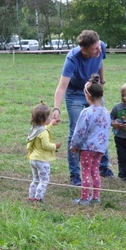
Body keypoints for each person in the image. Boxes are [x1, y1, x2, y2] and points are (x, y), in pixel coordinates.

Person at [52, 30, 113, 186]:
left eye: (99, 46)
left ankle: (103, 167)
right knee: (76, 130)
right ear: (84, 50)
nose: (99, 50)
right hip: (75, 94)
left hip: (93, 90)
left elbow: (100, 62)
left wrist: (102, 81)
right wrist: (56, 109)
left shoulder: (101, 47)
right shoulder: (72, 59)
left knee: (102, 126)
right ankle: (75, 174)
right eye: (94, 49)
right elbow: (62, 87)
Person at [70, 74, 110, 206]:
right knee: (95, 171)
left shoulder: (86, 112)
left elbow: (79, 131)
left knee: (86, 171)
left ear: (87, 96)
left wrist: (74, 145)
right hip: (100, 148)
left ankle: (84, 198)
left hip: (87, 148)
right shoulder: (106, 112)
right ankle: (95, 197)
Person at [26, 103, 62, 203]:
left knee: (35, 180)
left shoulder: (35, 129)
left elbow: (44, 129)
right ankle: (38, 199)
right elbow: (46, 145)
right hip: (42, 160)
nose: (51, 118)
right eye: (49, 116)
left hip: (33, 159)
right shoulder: (44, 133)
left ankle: (31, 197)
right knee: (44, 181)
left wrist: (52, 124)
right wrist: (55, 146)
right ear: (43, 120)